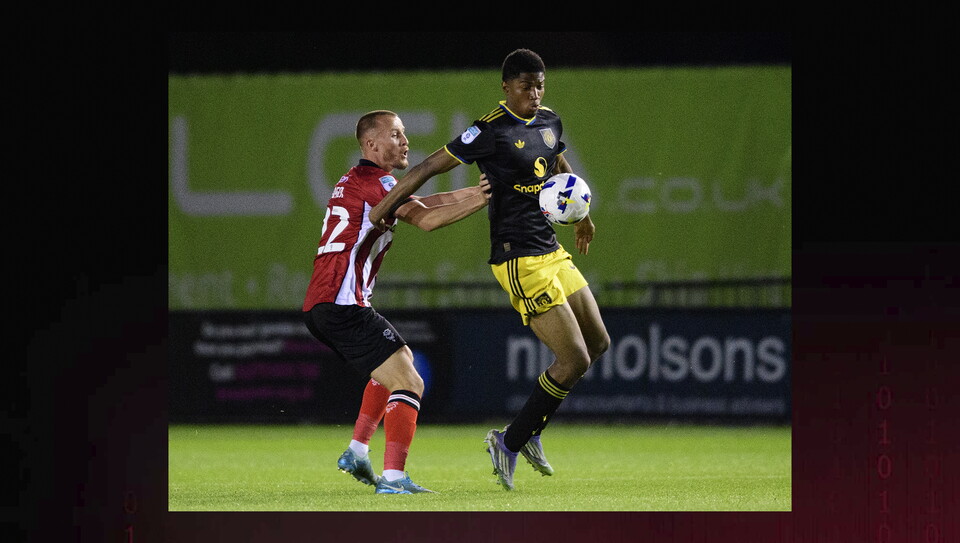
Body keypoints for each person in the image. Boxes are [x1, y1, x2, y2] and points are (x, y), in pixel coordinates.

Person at [369, 49, 610, 490]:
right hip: (518, 257)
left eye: (540, 86)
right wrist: (382, 208)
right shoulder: (488, 130)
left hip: (551, 249)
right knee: (572, 358)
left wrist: (584, 214)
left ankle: (528, 431)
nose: (534, 95)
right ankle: (511, 441)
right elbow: (426, 167)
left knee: (598, 342)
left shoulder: (550, 121)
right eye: (525, 87)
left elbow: (557, 162)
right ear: (506, 87)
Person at [302, 110, 491, 494]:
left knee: (391, 370)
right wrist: (486, 198)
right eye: (395, 134)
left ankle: (357, 450)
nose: (405, 141)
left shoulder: (360, 180)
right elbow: (427, 221)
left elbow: (426, 203)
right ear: (371, 144)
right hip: (342, 303)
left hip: (326, 302)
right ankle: (392, 478)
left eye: (404, 134)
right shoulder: (377, 181)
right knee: (410, 381)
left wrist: (481, 191)